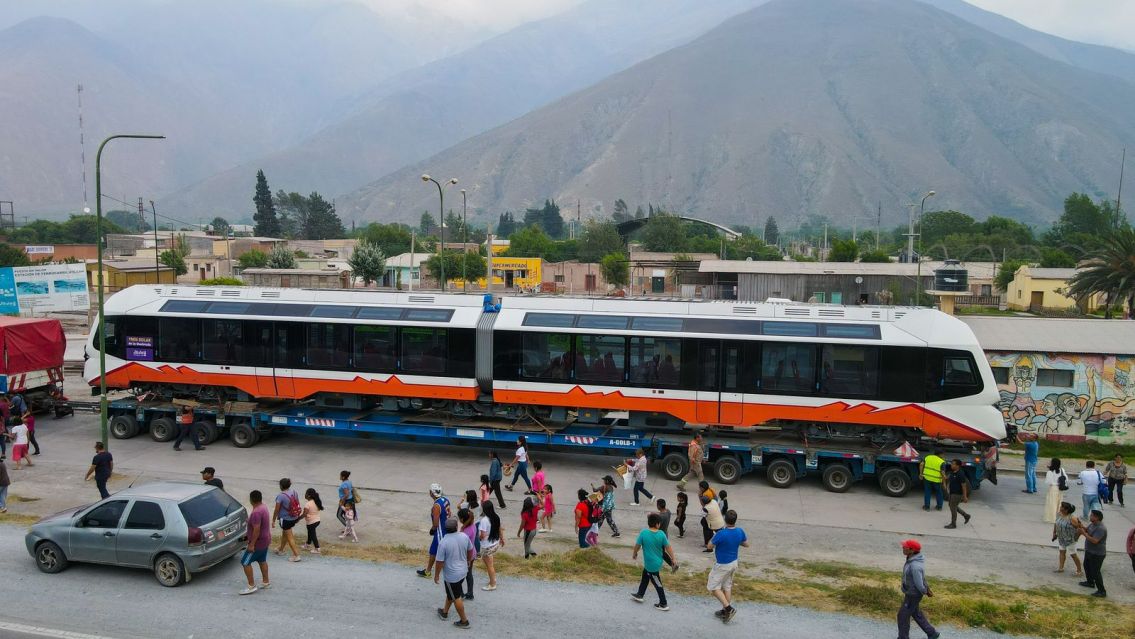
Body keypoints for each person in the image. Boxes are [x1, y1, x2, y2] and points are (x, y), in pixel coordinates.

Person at [706, 510, 748, 623]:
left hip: (723, 564)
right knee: (727, 586)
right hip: (734, 562)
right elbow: (746, 544)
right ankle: (725, 611)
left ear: (725, 519)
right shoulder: (740, 531)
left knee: (713, 587)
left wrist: (714, 537)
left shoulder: (721, 534)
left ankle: (729, 609)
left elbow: (709, 546)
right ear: (735, 520)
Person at [434, 519, 474, 630]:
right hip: (463, 571)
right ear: (456, 526)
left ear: (445, 529)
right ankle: (444, 612)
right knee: (452, 592)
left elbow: (439, 562)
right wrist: (468, 560)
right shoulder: (463, 536)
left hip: (452, 576)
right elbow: (470, 549)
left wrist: (436, 575)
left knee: (456, 596)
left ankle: (464, 621)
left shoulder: (443, 542)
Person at [631, 512, 674, 611]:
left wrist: (635, 553)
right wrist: (673, 558)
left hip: (651, 564)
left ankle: (663, 603)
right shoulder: (661, 534)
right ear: (657, 524)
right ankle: (640, 594)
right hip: (655, 563)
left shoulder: (644, 533)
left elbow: (637, 545)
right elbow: (668, 547)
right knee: (645, 576)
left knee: (657, 583)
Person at [897, 539, 938, 639]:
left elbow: (919, 583)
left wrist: (925, 590)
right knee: (915, 613)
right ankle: (932, 633)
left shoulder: (915, 565)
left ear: (912, 550)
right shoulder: (911, 559)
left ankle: (903, 637)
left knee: (902, 616)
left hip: (913, 594)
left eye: (905, 547)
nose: (903, 547)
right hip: (911, 592)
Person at [239, 490, 271, 595]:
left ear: (251, 499)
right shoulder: (264, 507)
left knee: (245, 562)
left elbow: (256, 529)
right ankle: (266, 582)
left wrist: (251, 544)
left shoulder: (256, 512)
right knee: (262, 560)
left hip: (257, 543)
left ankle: (251, 585)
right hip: (265, 540)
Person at [417, 484, 451, 578]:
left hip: (440, 532)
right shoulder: (445, 500)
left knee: (436, 552)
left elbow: (436, 523)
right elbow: (450, 514)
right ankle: (428, 570)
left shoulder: (436, 505)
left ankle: (430, 572)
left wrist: (432, 530)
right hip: (447, 529)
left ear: (432, 493)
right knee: (436, 551)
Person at [1075, 509, 1107, 597]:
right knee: (1086, 566)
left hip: (1097, 554)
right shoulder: (1093, 524)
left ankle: (1102, 591)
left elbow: (1095, 540)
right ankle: (1090, 582)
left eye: (1092, 515)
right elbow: (1088, 530)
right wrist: (1081, 526)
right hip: (1089, 551)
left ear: (1096, 518)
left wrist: (1083, 533)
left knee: (1095, 572)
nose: (1090, 516)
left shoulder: (1100, 528)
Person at [271, 478, 302, 562]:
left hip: (285, 519)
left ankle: (296, 555)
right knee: (285, 533)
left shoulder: (281, 496)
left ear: (281, 486)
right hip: (294, 517)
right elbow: (298, 503)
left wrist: (273, 520)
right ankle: (280, 549)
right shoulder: (294, 492)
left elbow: (276, 509)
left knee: (290, 537)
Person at [1051, 501, 1083, 576]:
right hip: (1061, 538)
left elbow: (1079, 527)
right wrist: (1054, 533)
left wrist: (1076, 537)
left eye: (1062, 507)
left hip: (1070, 539)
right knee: (1062, 552)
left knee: (1073, 554)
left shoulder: (1072, 518)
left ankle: (1079, 571)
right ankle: (1061, 568)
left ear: (1066, 510)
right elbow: (1056, 523)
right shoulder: (1059, 514)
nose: (1060, 507)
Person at [478, 501, 503, 591]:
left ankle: (492, 584)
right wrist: (502, 539)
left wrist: (478, 538)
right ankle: (492, 580)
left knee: (489, 566)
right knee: (490, 563)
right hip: (494, 543)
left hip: (487, 546)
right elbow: (499, 528)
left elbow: (483, 535)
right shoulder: (496, 516)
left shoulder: (484, 520)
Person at [943, 459, 971, 529]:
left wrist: (965, 497)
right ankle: (966, 515)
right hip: (952, 493)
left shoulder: (960, 474)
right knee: (952, 506)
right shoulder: (953, 472)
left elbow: (964, 486)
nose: (951, 465)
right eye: (952, 464)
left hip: (957, 494)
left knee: (953, 507)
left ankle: (953, 524)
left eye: (953, 464)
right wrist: (943, 474)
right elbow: (947, 477)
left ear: (958, 466)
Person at [458, 508, 479, 599]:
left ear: (462, 520)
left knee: (460, 574)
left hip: (466, 555)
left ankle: (460, 593)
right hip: (472, 552)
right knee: (468, 573)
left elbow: (462, 543)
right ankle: (470, 593)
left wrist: (462, 528)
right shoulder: (473, 526)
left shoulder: (465, 532)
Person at [1043, 458, 1067, 524]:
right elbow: (1066, 478)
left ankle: (1052, 518)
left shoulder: (1050, 472)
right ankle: (1059, 517)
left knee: (1052, 503)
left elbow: (1048, 482)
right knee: (1059, 503)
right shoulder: (1062, 470)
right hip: (1060, 488)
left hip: (1053, 488)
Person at [302, 488, 323, 555]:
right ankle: (308, 544)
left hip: (311, 522)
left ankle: (317, 548)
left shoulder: (307, 504)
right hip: (317, 520)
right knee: (310, 532)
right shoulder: (316, 501)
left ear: (308, 496)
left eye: (306, 493)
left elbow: (304, 514)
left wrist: (297, 519)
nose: (304, 495)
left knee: (313, 534)